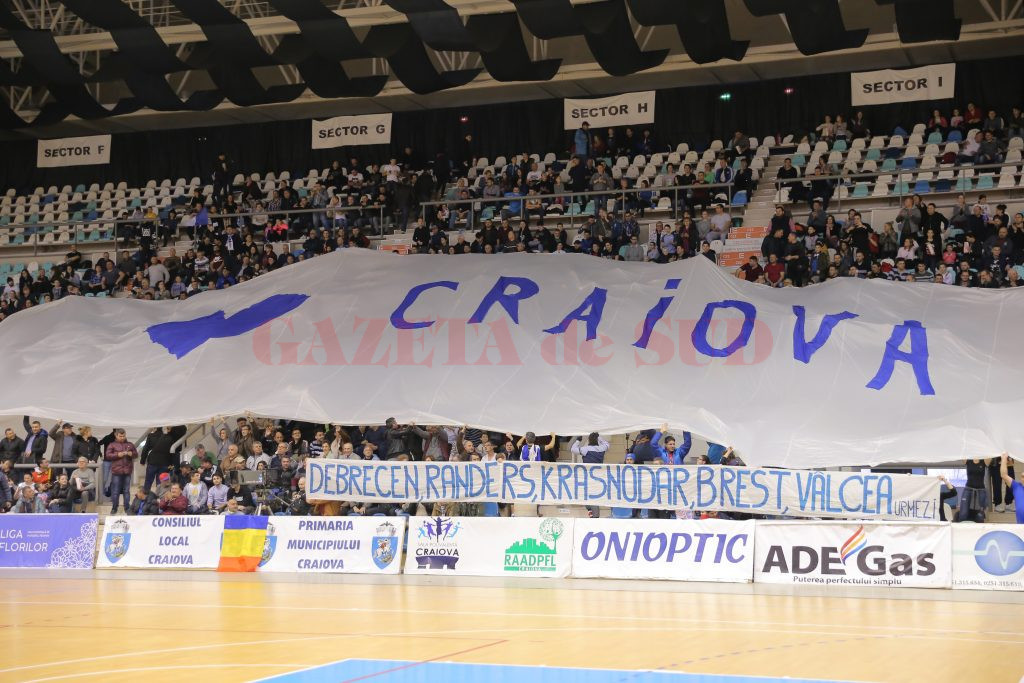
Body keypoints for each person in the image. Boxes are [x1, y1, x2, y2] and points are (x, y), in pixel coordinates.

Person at [104, 428, 138, 515]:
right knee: (115, 491)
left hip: (127, 471)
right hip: (116, 471)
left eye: (123, 436)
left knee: (126, 490)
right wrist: (117, 455)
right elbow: (107, 455)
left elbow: (136, 454)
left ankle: (127, 508)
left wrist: (131, 454)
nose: (122, 437)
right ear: (116, 435)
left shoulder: (130, 444)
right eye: (120, 436)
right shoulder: (112, 444)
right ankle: (114, 508)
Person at [999, 453, 1023, 523]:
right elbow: (1003, 475)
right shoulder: (1017, 486)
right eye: (1022, 476)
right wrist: (1004, 459)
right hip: (1021, 527)